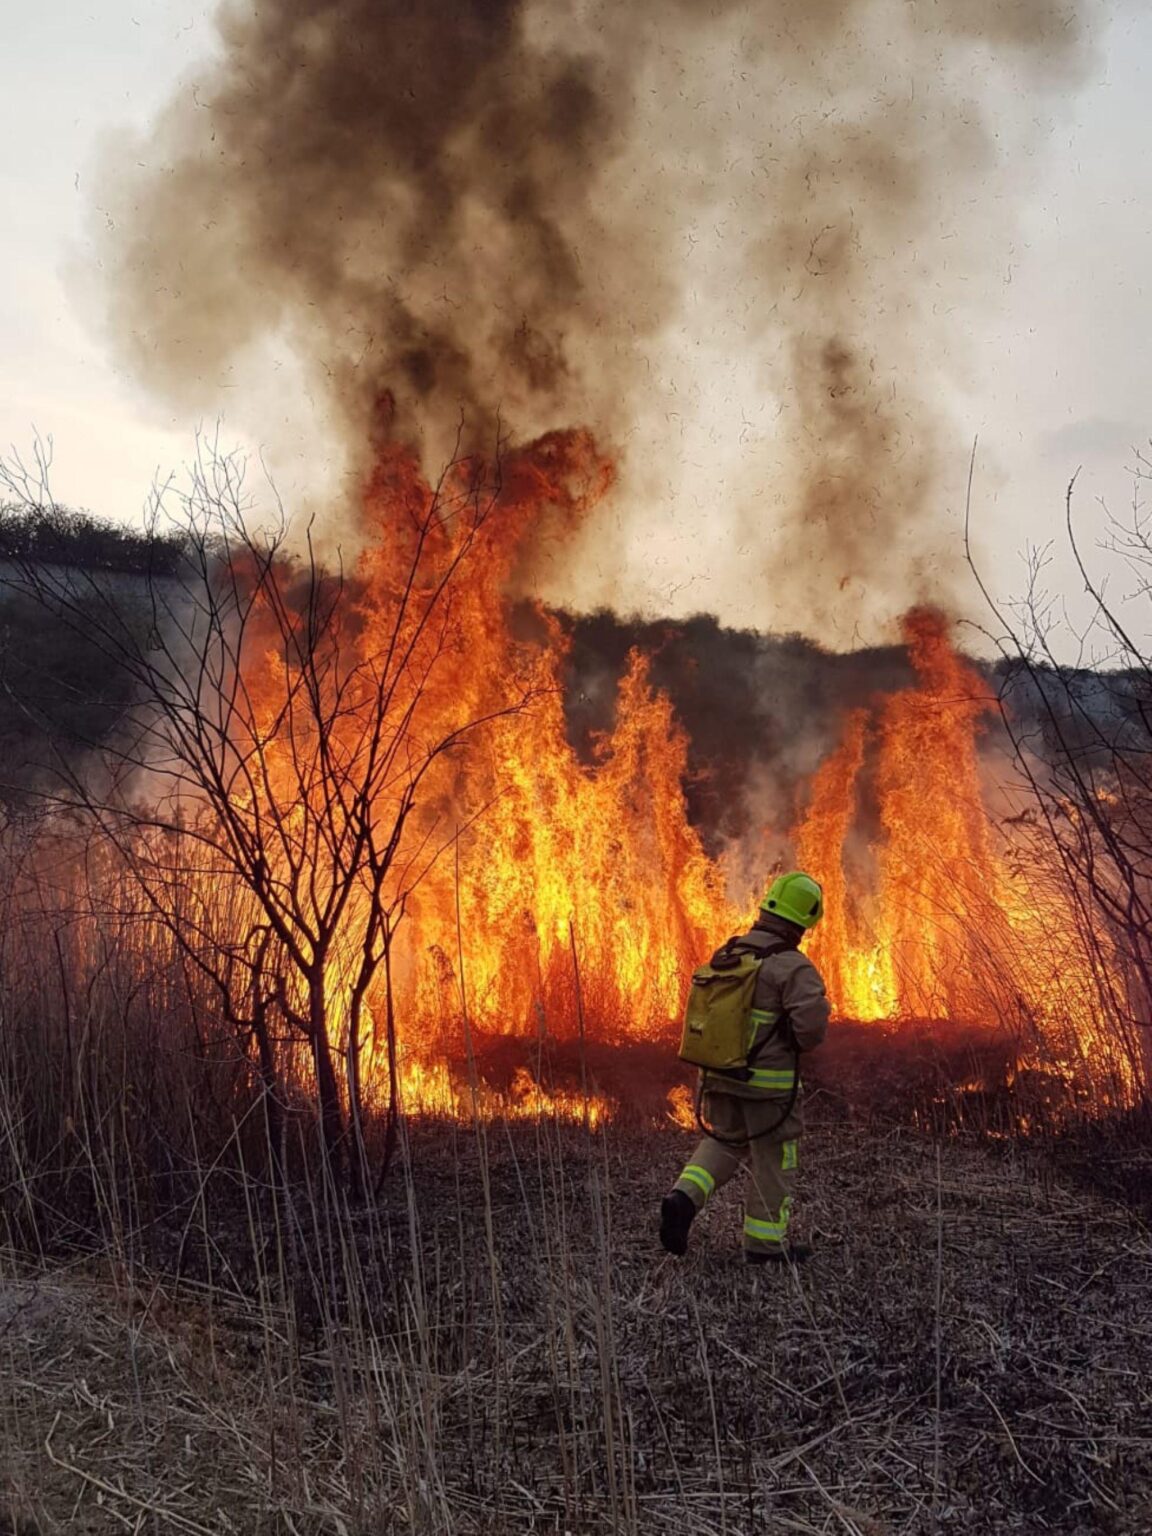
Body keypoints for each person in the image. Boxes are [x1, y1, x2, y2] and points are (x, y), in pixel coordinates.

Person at [659, 871, 831, 1265]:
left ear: (769, 905)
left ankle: (682, 1198)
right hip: (767, 1089)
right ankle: (764, 1245)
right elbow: (811, 1031)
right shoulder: (792, 966)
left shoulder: (730, 953)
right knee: (774, 1156)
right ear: (804, 920)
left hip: (720, 1075)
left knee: (725, 1140)